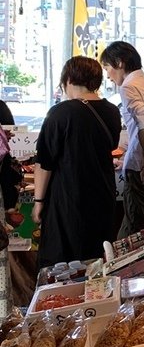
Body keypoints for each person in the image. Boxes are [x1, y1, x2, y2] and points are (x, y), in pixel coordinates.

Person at [32, 56, 121, 268]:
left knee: (63, 264)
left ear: (69, 79)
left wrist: (38, 202)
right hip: (103, 198)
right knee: (97, 261)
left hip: (68, 202)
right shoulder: (111, 111)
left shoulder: (60, 113)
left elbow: (44, 163)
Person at [100, 40, 144, 235]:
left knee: (134, 234)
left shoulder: (129, 87)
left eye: (107, 68)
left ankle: (124, 266)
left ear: (119, 63)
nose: (107, 75)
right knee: (140, 229)